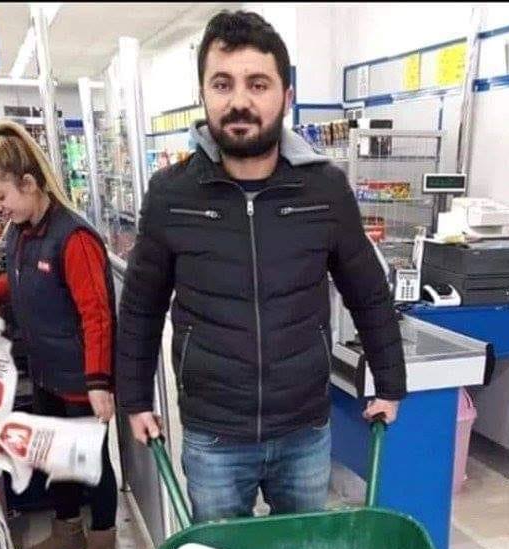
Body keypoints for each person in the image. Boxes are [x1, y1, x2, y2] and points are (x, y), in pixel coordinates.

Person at [117, 11, 406, 522]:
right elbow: (141, 307)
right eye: (222, 84)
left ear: (286, 96)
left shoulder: (325, 190)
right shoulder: (171, 195)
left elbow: (368, 292)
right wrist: (136, 398)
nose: (239, 101)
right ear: (203, 94)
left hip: (304, 429)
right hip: (214, 434)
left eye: (258, 84)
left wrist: (389, 383)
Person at [0, 120, 117, 549]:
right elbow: (19, 277)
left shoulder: (74, 239)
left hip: (80, 376)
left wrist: (99, 382)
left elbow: (97, 315)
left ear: (29, 184)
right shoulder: (21, 231)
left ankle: (103, 539)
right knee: (57, 457)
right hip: (46, 368)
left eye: (0, 196)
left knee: (90, 462)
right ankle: (67, 529)